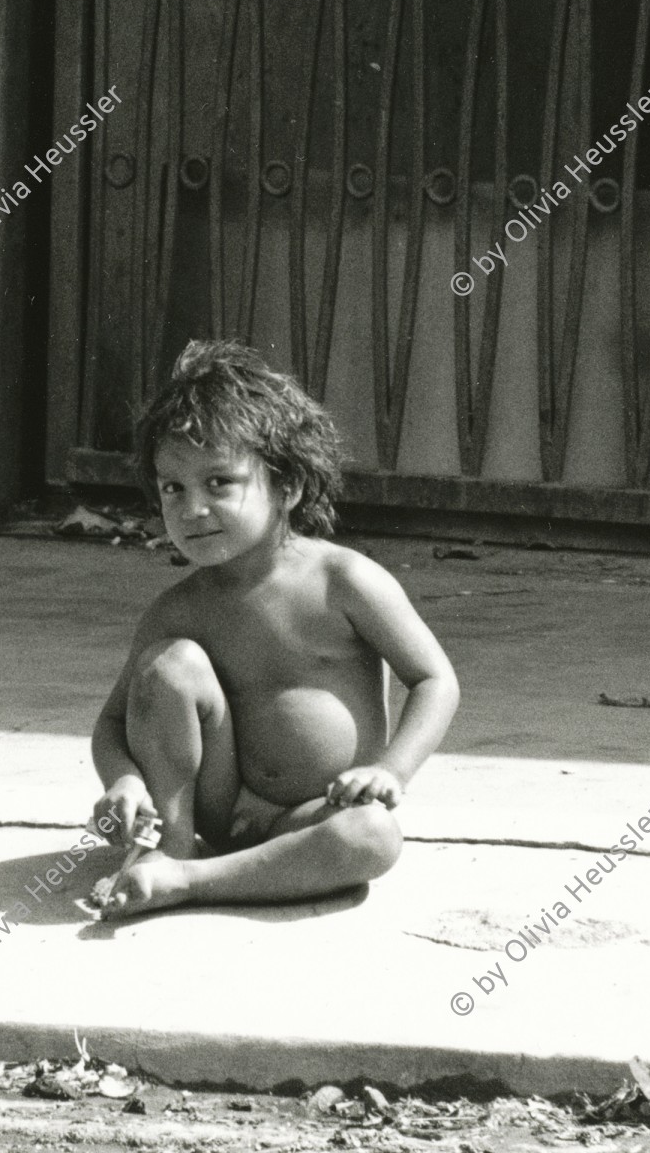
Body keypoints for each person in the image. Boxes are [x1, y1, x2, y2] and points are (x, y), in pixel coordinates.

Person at [88, 339, 457, 918]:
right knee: (169, 665)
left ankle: (192, 880)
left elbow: (435, 680)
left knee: (372, 838)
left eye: (219, 483)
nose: (192, 509)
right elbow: (112, 724)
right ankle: (171, 847)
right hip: (216, 808)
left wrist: (390, 772)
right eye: (172, 488)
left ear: (289, 487)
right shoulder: (177, 608)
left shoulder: (345, 580)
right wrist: (124, 782)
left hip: (316, 812)